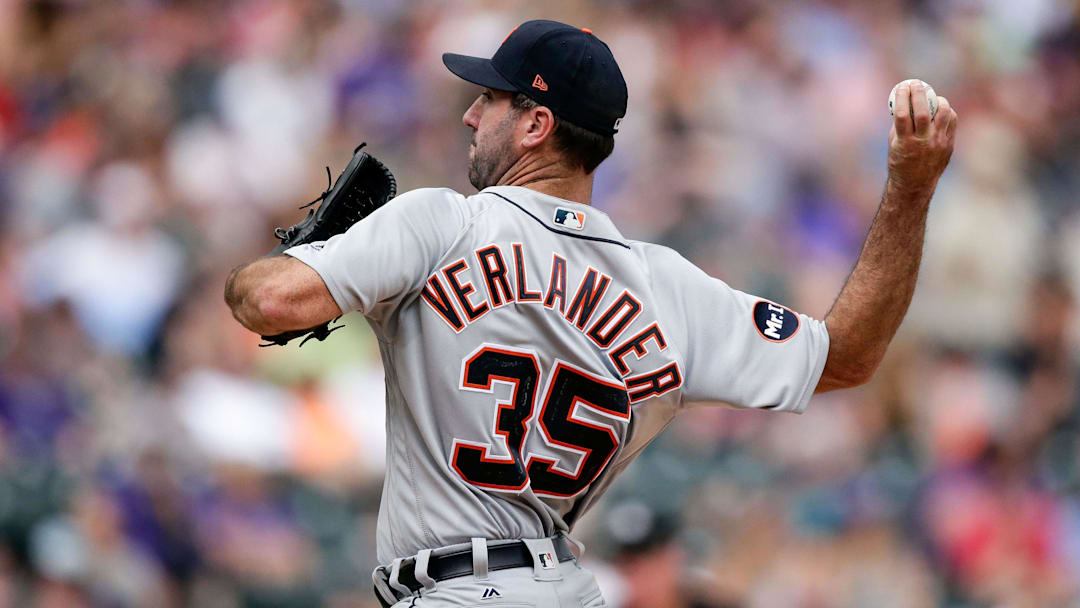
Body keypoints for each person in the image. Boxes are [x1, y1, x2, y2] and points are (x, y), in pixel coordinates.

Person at [224, 19, 956, 608]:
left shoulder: (440, 224)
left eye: (492, 99)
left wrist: (300, 260)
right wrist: (911, 189)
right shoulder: (666, 284)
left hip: (453, 589)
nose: (471, 114)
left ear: (537, 123)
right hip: (567, 586)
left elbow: (269, 302)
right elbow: (849, 356)